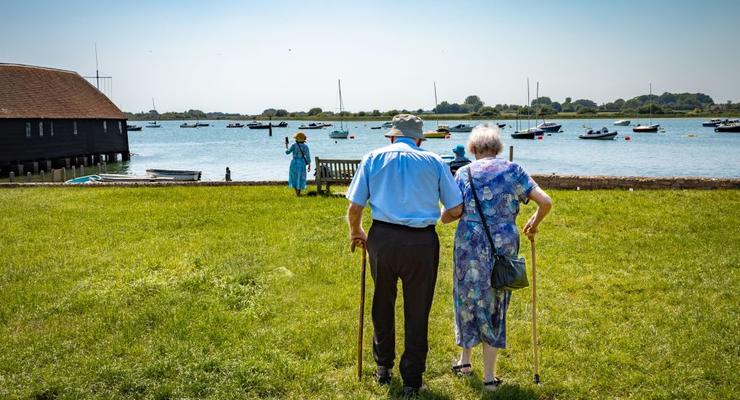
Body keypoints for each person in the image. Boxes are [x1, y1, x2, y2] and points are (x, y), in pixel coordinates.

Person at [346, 114, 463, 397]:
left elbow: (355, 206)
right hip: (421, 241)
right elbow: (456, 208)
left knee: (382, 302)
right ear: (420, 138)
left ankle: (383, 367)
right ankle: (412, 379)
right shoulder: (434, 161)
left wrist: (357, 232)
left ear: (392, 136)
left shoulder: (373, 157)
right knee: (417, 309)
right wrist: (437, 219)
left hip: (383, 238)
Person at [444, 125, 552, 392]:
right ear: (498, 147)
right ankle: (489, 379)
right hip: (503, 247)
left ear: (473, 148)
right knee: (495, 304)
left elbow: (452, 212)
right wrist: (534, 223)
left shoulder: (463, 173)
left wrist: (441, 215)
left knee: (467, 300)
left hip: (469, 247)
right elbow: (545, 201)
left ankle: (464, 362)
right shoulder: (514, 170)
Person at [285, 132, 311, 196]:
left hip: (294, 162)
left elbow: (287, 152)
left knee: (294, 177)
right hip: (302, 163)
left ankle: (297, 193)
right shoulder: (305, 147)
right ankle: (298, 193)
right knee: (300, 177)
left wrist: (286, 145)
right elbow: (308, 157)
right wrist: (309, 165)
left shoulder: (294, 145)